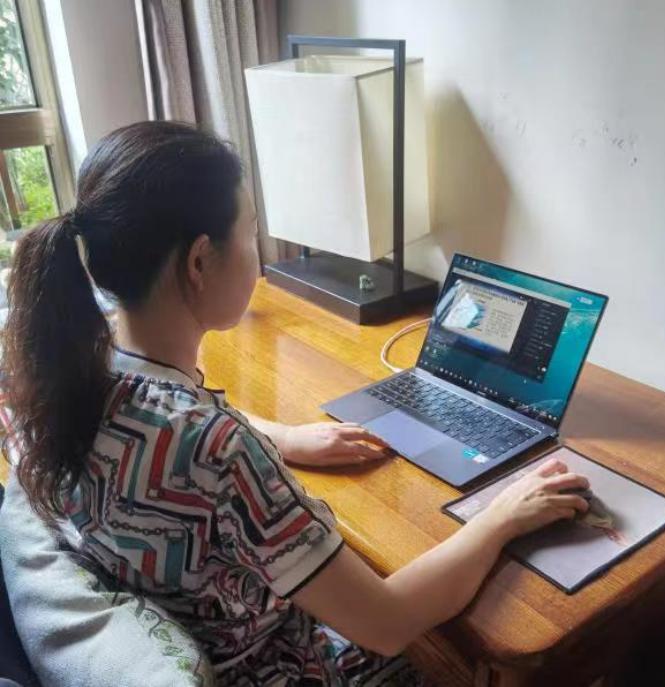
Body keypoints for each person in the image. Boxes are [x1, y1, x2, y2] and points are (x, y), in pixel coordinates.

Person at [1, 121, 590, 686]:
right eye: (251, 231)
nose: (258, 254)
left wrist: (280, 437)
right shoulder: (218, 449)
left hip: (190, 619)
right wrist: (502, 516)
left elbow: (190, 429)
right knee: (497, 649)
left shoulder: (79, 366)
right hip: (279, 668)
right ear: (200, 261)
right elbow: (388, 622)